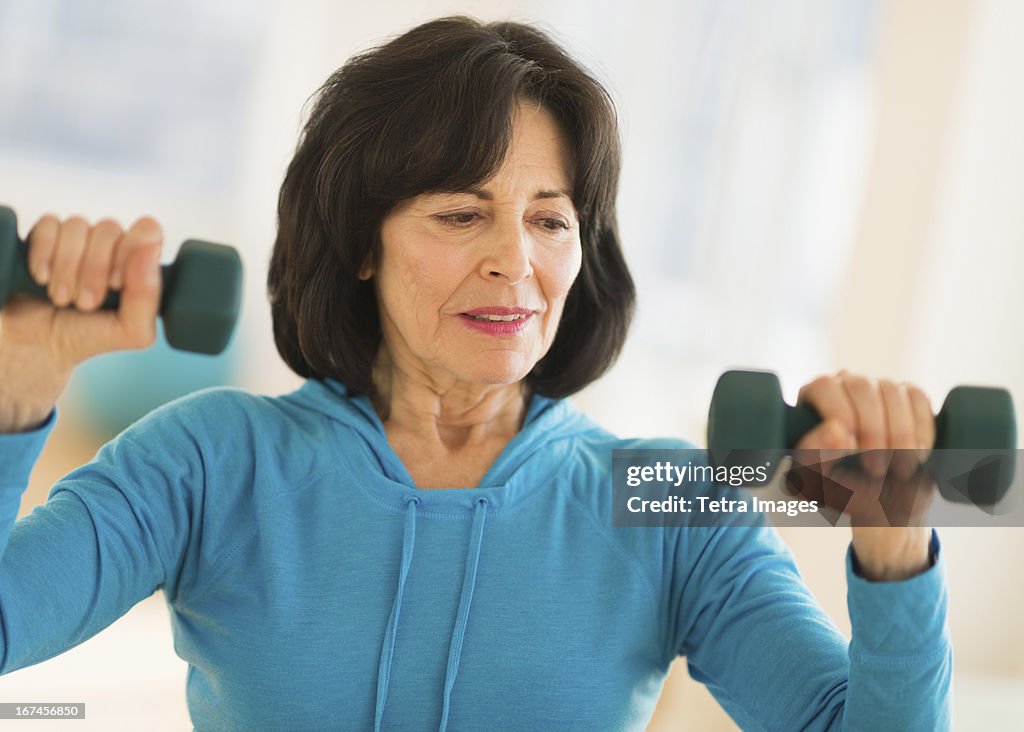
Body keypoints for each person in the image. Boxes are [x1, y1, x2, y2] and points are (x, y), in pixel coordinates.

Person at [0, 16, 949, 731]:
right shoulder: (213, 461)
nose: (514, 261)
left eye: (549, 218)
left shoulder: (670, 499)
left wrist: (896, 549)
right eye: (461, 214)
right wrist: (19, 387)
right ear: (361, 245)